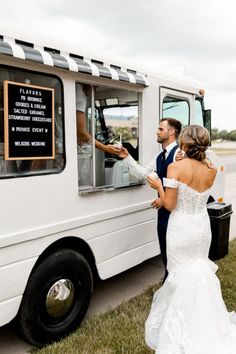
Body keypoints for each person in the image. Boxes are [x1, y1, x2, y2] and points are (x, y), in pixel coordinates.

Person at [145, 125, 236, 354]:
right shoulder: (211, 169)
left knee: (178, 274)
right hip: (201, 226)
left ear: (184, 142)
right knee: (198, 271)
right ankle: (203, 322)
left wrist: (158, 186)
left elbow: (169, 205)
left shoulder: (175, 168)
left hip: (181, 227)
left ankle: (181, 326)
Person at [119, 118, 183, 281]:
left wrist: (164, 199)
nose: (157, 132)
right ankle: (168, 279)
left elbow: (184, 186)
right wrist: (127, 157)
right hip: (162, 213)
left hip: (176, 212)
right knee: (165, 247)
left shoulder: (180, 155)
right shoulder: (159, 156)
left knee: (175, 250)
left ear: (171, 132)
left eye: (161, 129)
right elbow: (142, 173)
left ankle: (175, 282)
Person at [76, 83, 121, 155]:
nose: (94, 90)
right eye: (95, 87)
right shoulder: (78, 93)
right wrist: (105, 148)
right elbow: (80, 132)